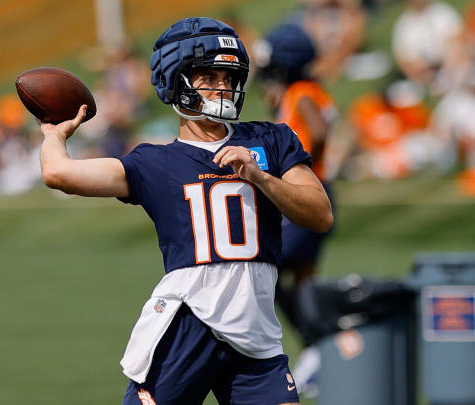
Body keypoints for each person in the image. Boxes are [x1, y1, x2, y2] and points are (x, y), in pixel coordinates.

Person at [37, 17, 334, 405]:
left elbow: (320, 214)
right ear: (176, 81)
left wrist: (261, 178)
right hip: (187, 323)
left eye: (229, 77)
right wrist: (54, 134)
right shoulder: (155, 162)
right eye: (209, 76)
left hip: (257, 334)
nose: (223, 86)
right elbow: (59, 174)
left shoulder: (271, 139)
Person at [254, 23, 337, 397]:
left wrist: (306, 168)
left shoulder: (301, 91)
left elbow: (317, 132)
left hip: (307, 192)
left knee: (266, 267)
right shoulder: (306, 89)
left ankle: (318, 344)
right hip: (318, 191)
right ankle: (319, 352)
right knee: (303, 280)